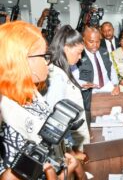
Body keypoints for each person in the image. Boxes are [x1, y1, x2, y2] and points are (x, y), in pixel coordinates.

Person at [0, 21, 86, 179]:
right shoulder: (6, 112)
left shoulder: (31, 94)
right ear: (23, 60)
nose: (48, 61)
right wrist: (53, 174)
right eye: (44, 55)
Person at [45, 25, 90, 150]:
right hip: (68, 143)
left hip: (73, 140)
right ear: (66, 48)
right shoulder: (57, 77)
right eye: (79, 52)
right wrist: (70, 150)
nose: (80, 57)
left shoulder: (62, 71)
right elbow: (55, 121)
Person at [73, 27, 120, 124]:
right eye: (91, 41)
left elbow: (111, 69)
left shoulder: (104, 51)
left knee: (110, 122)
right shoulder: (78, 55)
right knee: (93, 124)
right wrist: (83, 84)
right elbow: (73, 78)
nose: (95, 45)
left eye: (98, 41)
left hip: (108, 92)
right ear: (83, 40)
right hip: (90, 96)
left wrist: (115, 84)